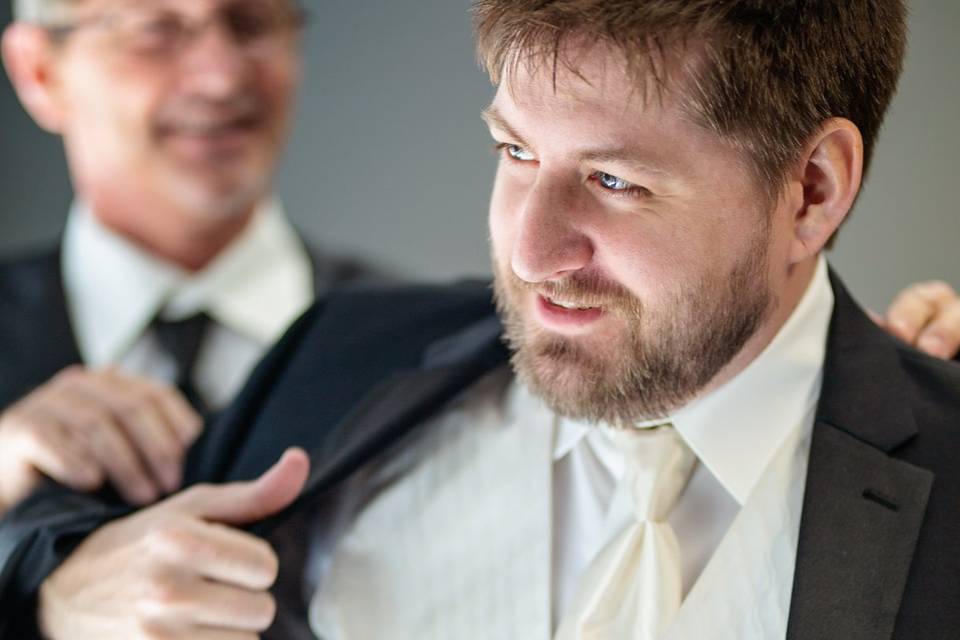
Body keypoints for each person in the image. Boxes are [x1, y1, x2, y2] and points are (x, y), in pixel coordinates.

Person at [1, 1, 960, 639]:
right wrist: (47, 591)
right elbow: (106, 567)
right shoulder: (344, 361)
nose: (530, 252)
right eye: (512, 150)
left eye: (614, 180)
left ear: (812, 189)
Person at [0, 0, 372, 518]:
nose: (220, 79)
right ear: (39, 73)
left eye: (251, 21)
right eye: (154, 29)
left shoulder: (435, 363)